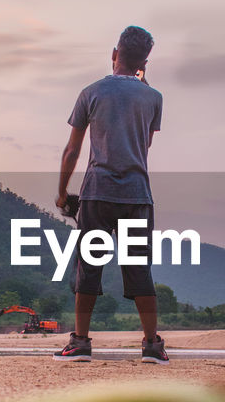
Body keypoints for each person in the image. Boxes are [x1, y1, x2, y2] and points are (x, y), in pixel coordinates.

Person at [53, 24, 169, 364]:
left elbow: (72, 151)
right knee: (138, 268)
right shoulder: (153, 98)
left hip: (97, 194)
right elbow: (144, 146)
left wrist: (62, 193)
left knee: (88, 266)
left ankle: (80, 343)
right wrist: (144, 83)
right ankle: (151, 345)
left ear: (114, 54)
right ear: (143, 62)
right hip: (137, 195)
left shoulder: (91, 92)